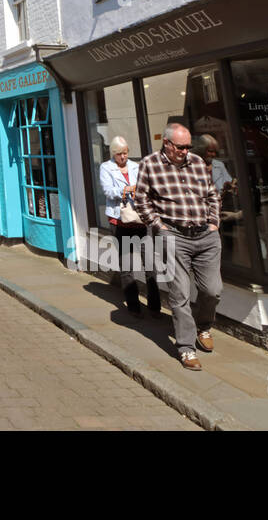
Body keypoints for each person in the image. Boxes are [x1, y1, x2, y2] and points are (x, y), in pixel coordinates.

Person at [133, 122, 222, 372]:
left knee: (212, 290)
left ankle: (203, 327)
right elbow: (141, 200)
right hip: (173, 235)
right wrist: (158, 225)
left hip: (206, 235)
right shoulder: (150, 164)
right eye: (180, 147)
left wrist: (214, 222)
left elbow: (212, 195)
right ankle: (186, 348)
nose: (185, 151)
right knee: (180, 293)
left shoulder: (197, 162)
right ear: (167, 144)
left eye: (188, 146)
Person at [99, 137, 159, 317]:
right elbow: (108, 191)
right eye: (119, 154)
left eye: (125, 153)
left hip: (140, 220)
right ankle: (133, 306)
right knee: (127, 265)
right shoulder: (105, 167)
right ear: (113, 154)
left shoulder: (136, 166)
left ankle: (155, 306)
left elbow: (147, 186)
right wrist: (125, 190)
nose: (123, 157)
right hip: (120, 221)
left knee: (150, 264)